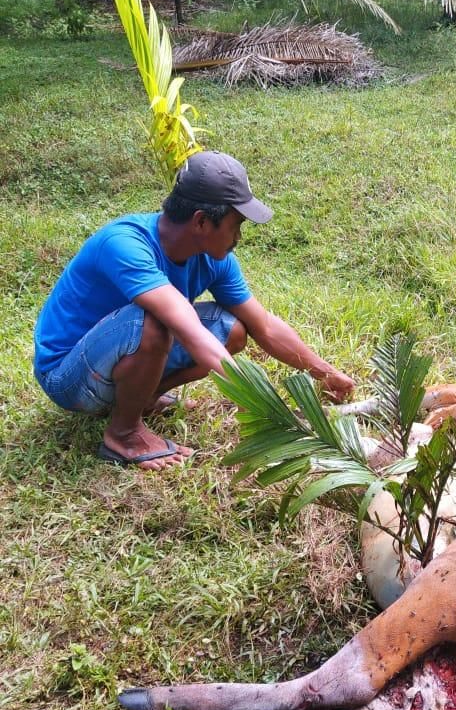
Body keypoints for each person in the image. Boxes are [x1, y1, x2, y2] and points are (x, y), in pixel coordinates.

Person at [33, 150, 355, 471]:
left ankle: (142, 397)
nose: (239, 237)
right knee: (155, 322)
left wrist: (324, 372)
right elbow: (187, 327)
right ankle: (123, 434)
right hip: (67, 376)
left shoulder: (214, 259)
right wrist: (260, 405)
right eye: (236, 225)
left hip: (115, 357)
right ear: (201, 221)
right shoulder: (125, 244)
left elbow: (264, 326)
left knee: (234, 329)